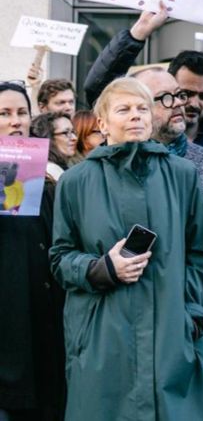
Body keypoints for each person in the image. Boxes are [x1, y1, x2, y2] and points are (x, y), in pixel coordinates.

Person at [49, 77, 203, 421]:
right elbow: (60, 258)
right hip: (102, 337)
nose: (135, 115)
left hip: (170, 337)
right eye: (124, 109)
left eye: (142, 108)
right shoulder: (74, 182)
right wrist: (103, 268)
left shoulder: (183, 175)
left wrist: (190, 317)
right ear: (102, 123)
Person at [129, 67, 203, 386]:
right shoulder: (116, 167)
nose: (179, 104)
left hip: (199, 322)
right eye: (165, 98)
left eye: (178, 94)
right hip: (132, 324)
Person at [83, 4, 203, 213]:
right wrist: (136, 36)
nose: (190, 103)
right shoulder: (99, 168)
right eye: (184, 93)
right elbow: (100, 91)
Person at [0, 81, 64, 421]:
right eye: (4, 113)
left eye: (22, 112)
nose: (15, 121)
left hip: (43, 331)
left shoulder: (49, 178)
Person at [30, 112, 75, 180]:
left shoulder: (64, 167)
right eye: (65, 133)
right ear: (49, 137)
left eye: (73, 132)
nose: (74, 138)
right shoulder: (50, 171)